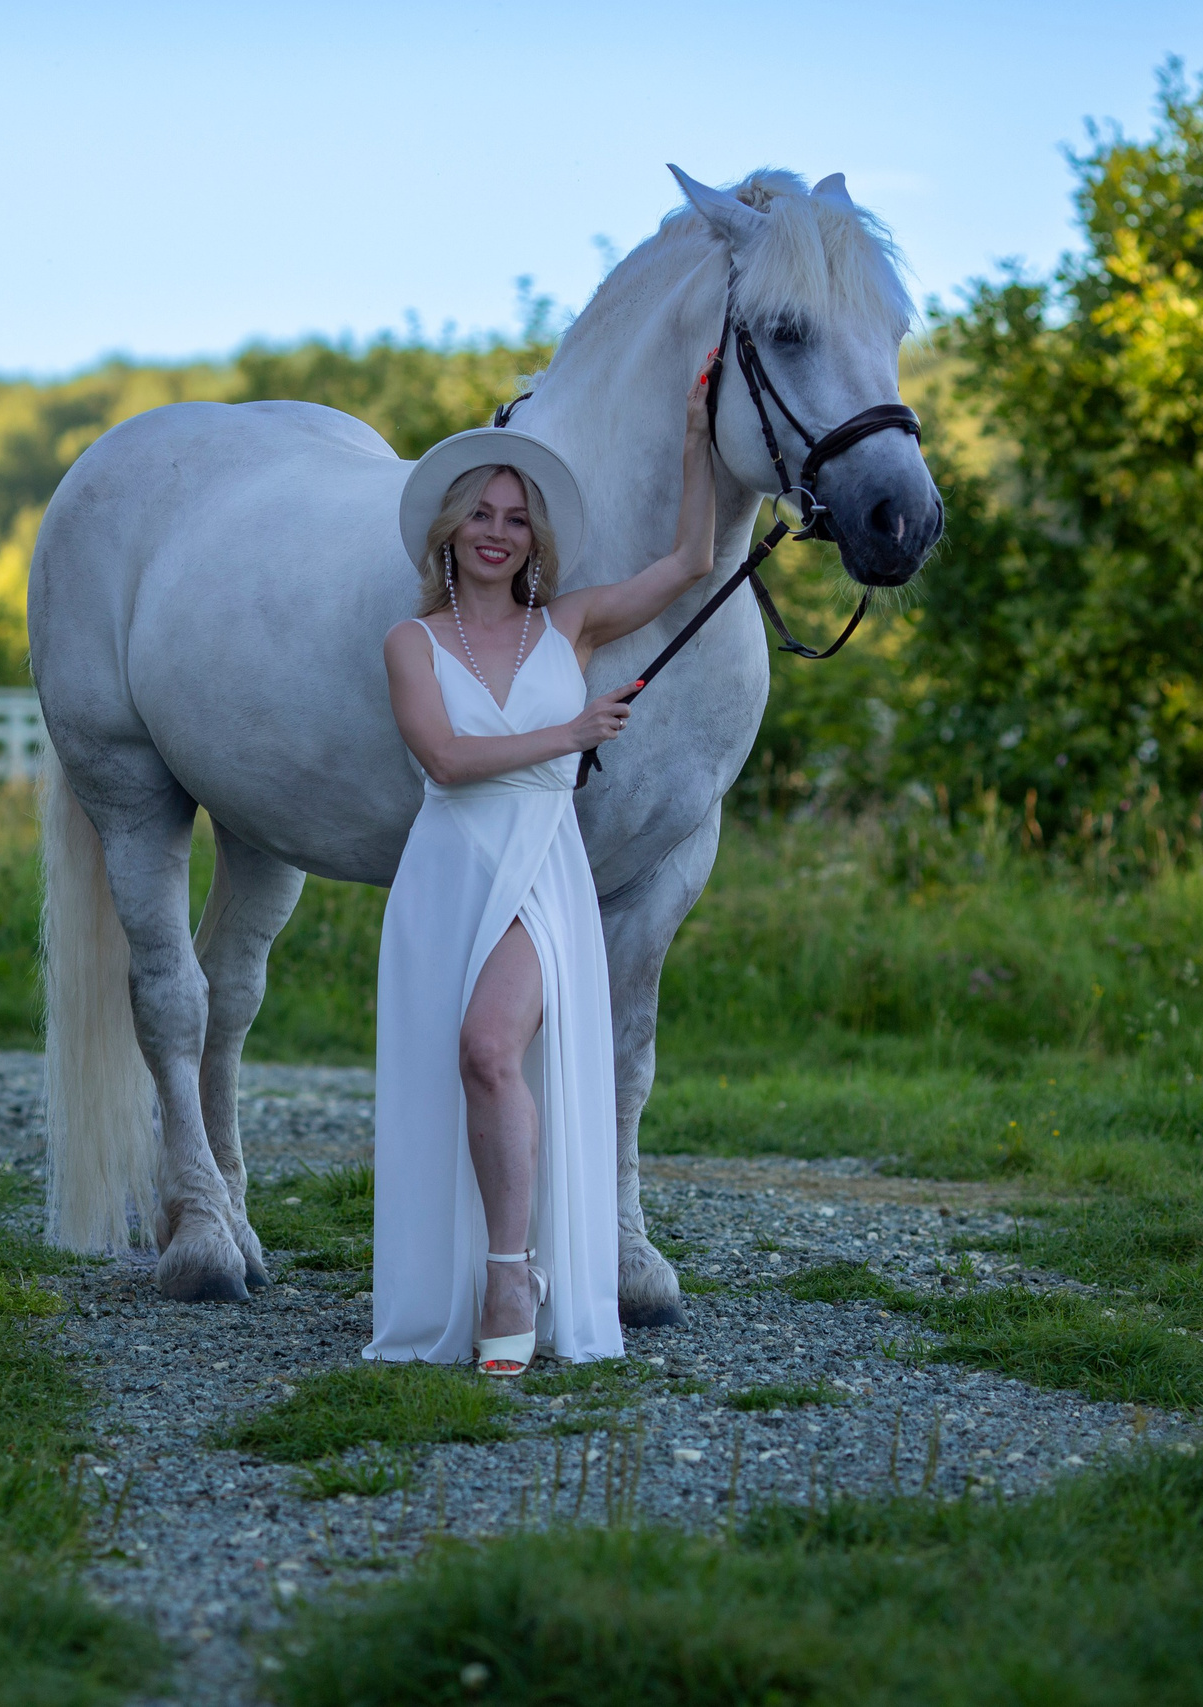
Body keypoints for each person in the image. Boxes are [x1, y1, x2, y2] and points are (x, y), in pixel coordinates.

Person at [365, 353, 720, 1375]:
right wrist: (569, 732)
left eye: (516, 519)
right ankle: (476, 1272)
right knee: (465, 1071)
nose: (495, 532)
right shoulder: (411, 642)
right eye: (480, 513)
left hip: (538, 859)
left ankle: (513, 1271)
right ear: (447, 531)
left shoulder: (567, 622)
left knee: (489, 1050)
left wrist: (697, 442)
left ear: (535, 539)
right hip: (448, 863)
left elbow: (690, 562)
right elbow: (443, 757)